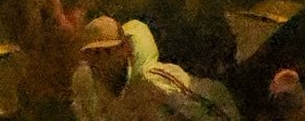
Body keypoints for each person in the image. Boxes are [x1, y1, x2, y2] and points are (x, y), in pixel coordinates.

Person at [70, 15, 235, 121]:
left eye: (108, 51)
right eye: (95, 53)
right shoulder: (85, 84)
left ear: (125, 49)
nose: (103, 59)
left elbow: (209, 109)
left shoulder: (156, 78)